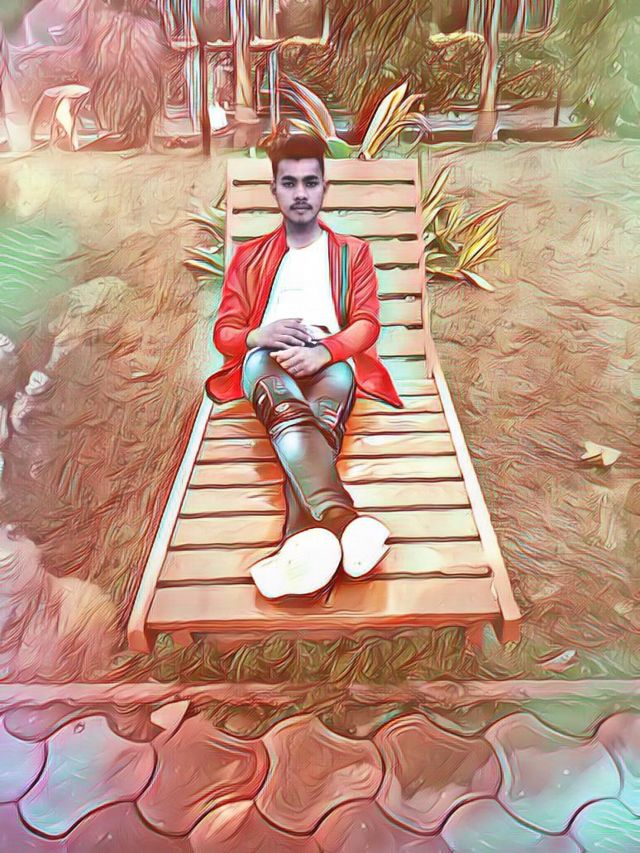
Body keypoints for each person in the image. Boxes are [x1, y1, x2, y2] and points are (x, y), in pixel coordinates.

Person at [205, 133, 403, 600]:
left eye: (310, 182)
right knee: (286, 405)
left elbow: (367, 323)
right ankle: (342, 520)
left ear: (324, 188)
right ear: (273, 189)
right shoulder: (249, 257)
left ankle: (300, 541)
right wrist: (259, 335)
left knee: (320, 422)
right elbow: (225, 332)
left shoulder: (352, 252)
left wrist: (325, 351)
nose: (300, 193)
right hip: (266, 362)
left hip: (330, 362)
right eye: (289, 182)